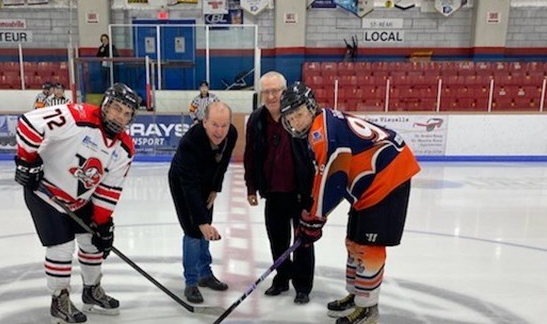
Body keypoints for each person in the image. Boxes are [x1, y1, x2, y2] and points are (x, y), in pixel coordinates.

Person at [279, 82, 421, 324]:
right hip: (370, 186)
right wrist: (313, 212)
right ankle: (357, 296)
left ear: (311, 107)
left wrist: (315, 220)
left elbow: (334, 181)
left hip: (387, 179)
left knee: (368, 247)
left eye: (299, 114)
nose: (295, 122)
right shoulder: (320, 122)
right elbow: (322, 176)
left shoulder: (321, 133)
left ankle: (368, 308)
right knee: (353, 241)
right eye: (290, 118)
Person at [14, 83, 140, 324]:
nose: (120, 116)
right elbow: (29, 124)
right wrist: (27, 161)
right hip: (46, 192)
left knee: (93, 242)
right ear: (105, 105)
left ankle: (91, 291)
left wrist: (102, 224)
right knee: (61, 247)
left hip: (79, 199)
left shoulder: (125, 148)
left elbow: (109, 189)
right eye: (116, 108)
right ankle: (59, 300)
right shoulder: (77, 116)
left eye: (126, 114)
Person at [243, 71, 315, 304]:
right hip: (273, 192)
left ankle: (302, 286)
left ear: (285, 91)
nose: (272, 96)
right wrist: (251, 187)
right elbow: (250, 156)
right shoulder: (256, 119)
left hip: (301, 192)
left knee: (303, 241)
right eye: (267, 91)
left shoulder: (298, 116)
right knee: (277, 240)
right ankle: (282, 279)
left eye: (276, 91)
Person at [168, 101, 238, 304]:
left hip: (207, 180)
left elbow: (223, 163)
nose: (220, 131)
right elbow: (189, 186)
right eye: (215, 124)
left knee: (205, 226)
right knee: (193, 229)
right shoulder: (190, 142)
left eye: (224, 125)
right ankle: (191, 282)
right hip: (182, 181)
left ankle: (204, 273)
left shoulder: (231, 134)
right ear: (204, 122)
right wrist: (201, 222)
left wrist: (216, 188)